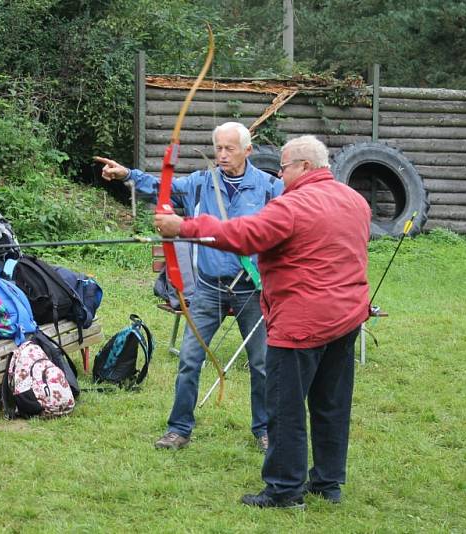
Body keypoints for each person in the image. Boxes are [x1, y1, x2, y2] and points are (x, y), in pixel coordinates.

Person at [154, 135, 371, 509]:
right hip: (346, 317)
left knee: (285, 409)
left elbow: (244, 235)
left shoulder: (293, 204)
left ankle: (285, 490)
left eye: (283, 167)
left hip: (300, 323)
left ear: (303, 166)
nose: (279, 174)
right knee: (330, 404)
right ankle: (328, 484)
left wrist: (183, 228)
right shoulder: (355, 200)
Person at [95, 121, 283, 452]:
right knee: (189, 360)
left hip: (251, 289)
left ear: (248, 150)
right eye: (218, 148)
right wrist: (126, 175)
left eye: (230, 149)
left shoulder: (269, 187)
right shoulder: (200, 183)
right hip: (209, 289)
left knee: (263, 364)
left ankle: (265, 429)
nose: (222, 155)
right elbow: (160, 189)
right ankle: (179, 428)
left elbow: (294, 218)